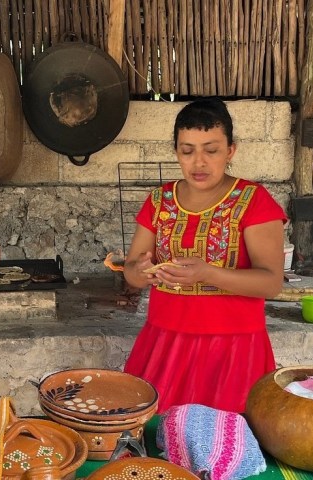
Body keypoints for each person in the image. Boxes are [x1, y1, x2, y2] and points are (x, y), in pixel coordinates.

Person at [122, 98, 286, 413]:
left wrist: (207, 273)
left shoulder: (254, 201)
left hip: (233, 347)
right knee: (158, 440)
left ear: (230, 151)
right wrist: (138, 272)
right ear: (176, 152)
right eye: (187, 151)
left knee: (224, 442)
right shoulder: (159, 201)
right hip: (164, 343)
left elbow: (270, 282)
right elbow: (131, 271)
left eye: (211, 150)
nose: (199, 162)